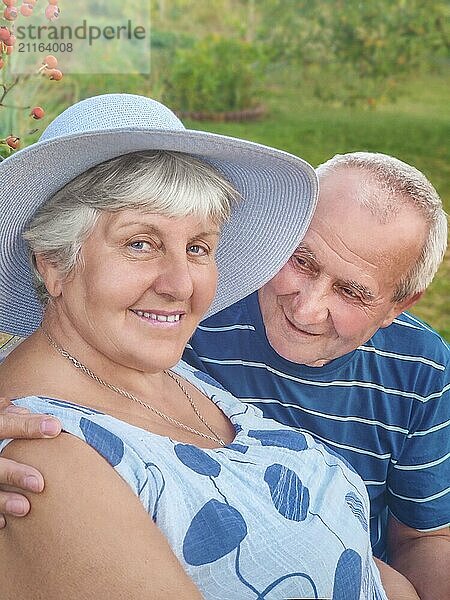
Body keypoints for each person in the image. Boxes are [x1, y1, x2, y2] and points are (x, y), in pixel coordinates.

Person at [0, 92, 391, 599]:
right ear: (52, 261)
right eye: (140, 243)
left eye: (198, 247)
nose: (181, 285)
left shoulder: (165, 371)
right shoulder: (40, 461)